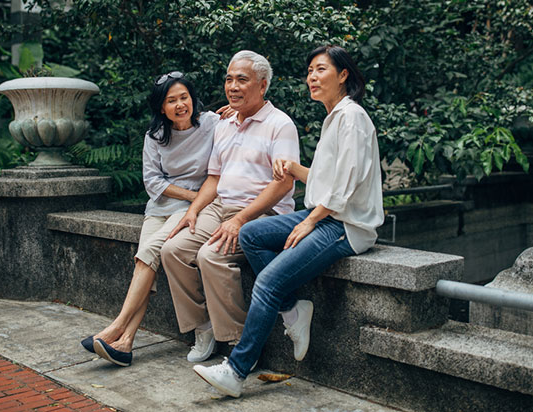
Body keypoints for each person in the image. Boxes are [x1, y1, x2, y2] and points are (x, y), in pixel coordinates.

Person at [192, 45, 384, 398]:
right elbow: (330, 179)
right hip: (329, 215)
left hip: (346, 226)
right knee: (250, 233)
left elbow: (346, 185)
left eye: (321, 70)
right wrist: (296, 170)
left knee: (268, 281)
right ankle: (294, 309)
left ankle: (236, 371)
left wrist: (310, 220)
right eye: (309, 70)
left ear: (343, 76)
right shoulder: (335, 117)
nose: (312, 77)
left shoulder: (351, 117)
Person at [160, 50, 300, 364]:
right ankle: (203, 327)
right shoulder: (225, 122)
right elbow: (214, 177)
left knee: (211, 256)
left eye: (242, 80)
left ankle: (240, 346)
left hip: (260, 214)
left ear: (262, 86)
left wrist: (241, 219)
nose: (232, 86)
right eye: (229, 79)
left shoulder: (280, 124)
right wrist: (194, 209)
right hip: (220, 206)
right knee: (172, 250)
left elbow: (284, 184)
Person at [80, 71, 221, 367]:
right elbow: (152, 182)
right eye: (172, 100)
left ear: (193, 99)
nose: (180, 105)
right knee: (146, 263)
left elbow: (241, 125)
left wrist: (195, 200)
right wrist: (189, 194)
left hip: (191, 208)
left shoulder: (212, 124)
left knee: (147, 256)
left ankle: (117, 326)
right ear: (161, 107)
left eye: (184, 97)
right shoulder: (155, 136)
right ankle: (126, 343)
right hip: (160, 208)